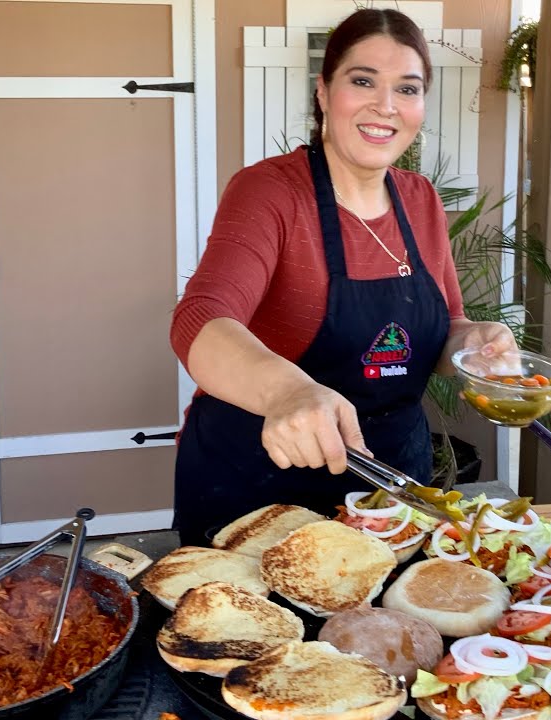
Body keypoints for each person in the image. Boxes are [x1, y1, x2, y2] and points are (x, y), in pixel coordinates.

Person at [168, 8, 518, 546]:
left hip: (392, 491)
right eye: (362, 81)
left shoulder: (420, 199)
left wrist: (474, 345)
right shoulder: (271, 192)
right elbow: (200, 319)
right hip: (259, 496)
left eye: (408, 88)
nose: (386, 106)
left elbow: (446, 325)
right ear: (324, 93)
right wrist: (288, 391)